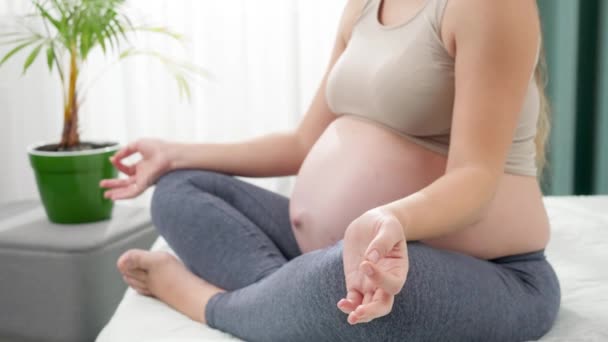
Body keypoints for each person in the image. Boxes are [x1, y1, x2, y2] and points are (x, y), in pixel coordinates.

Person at [100, 0, 560, 340]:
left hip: (486, 271)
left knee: (333, 286)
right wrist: (175, 154)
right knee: (179, 191)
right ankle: (282, 302)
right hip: (334, 247)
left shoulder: (490, 5)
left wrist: (391, 218)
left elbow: (475, 179)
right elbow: (303, 143)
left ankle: (205, 301)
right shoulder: (363, 6)